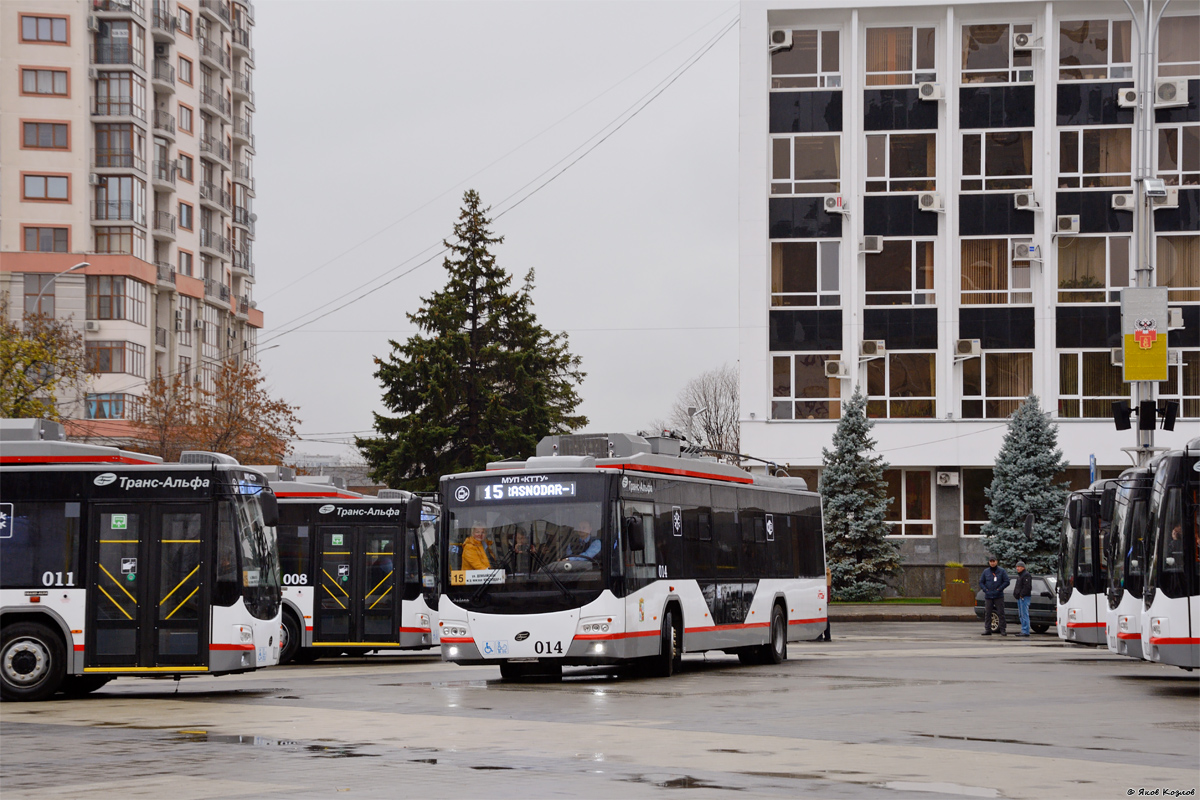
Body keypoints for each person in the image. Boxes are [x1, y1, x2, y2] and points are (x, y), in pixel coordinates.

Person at [979, 555, 1010, 636]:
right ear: (989, 562)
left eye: (994, 561)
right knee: (988, 613)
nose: (992, 563)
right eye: (991, 561)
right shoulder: (986, 572)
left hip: (998, 596)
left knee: (1001, 613)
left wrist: (999, 589)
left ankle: (1003, 629)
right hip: (988, 596)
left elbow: (1007, 581)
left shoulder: (1002, 571)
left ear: (997, 562)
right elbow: (981, 582)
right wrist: (985, 590)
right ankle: (987, 629)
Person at [1012, 560, 1032, 637]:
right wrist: (1015, 594)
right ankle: (1023, 630)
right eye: (1017, 567)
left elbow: (1027, 587)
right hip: (1020, 598)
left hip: (1024, 598)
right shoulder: (1020, 576)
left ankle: (1025, 631)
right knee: (1021, 614)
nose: (1017, 568)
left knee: (1024, 614)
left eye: (1019, 567)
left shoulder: (1026, 575)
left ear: (1023, 567)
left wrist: (1022, 595)